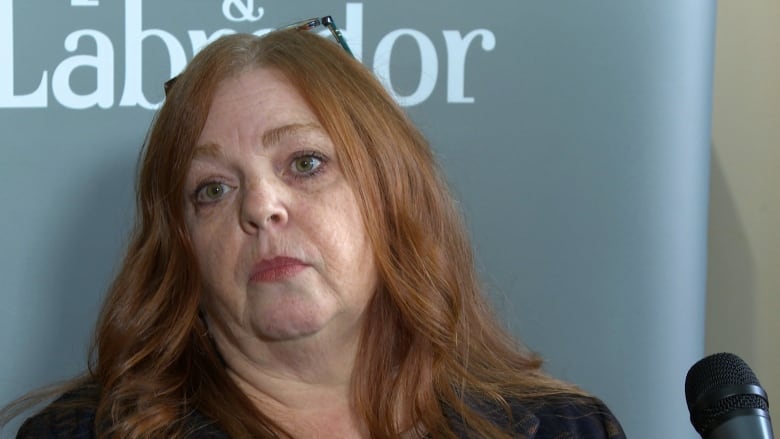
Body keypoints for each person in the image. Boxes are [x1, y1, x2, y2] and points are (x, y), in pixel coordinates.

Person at [2, 17, 626, 439]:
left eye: (305, 164)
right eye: (212, 189)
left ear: (391, 195)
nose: (261, 206)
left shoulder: (561, 427)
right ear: (184, 247)